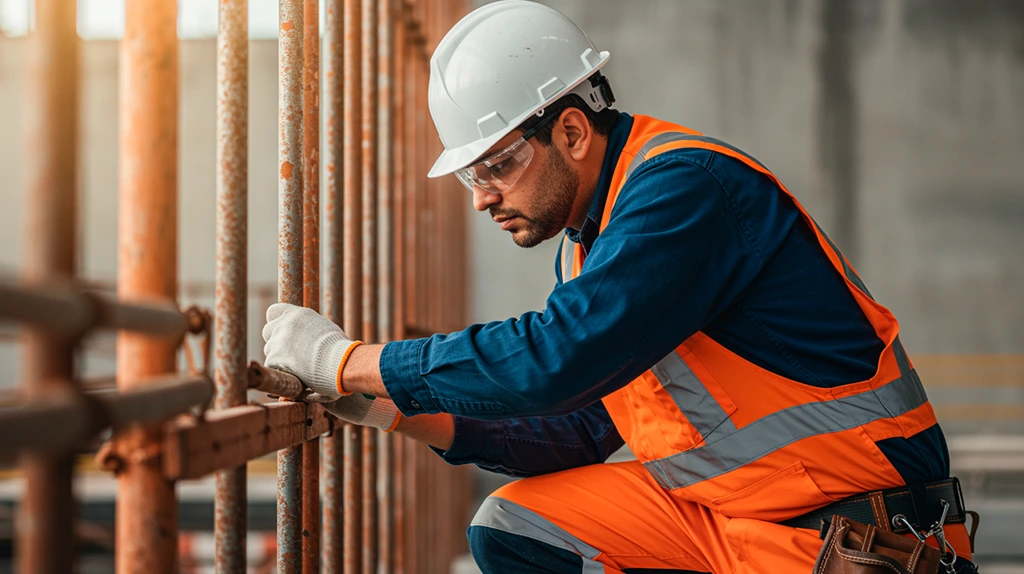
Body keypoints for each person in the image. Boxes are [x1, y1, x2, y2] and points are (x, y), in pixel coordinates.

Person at [262, 2, 978, 572]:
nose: (481, 198)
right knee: (517, 528)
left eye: (497, 167)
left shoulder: (684, 190)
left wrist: (351, 360)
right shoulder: (589, 247)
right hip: (736, 525)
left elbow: (552, 361)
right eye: (469, 177)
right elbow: (577, 428)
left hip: (857, 541)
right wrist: (393, 411)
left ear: (571, 131)